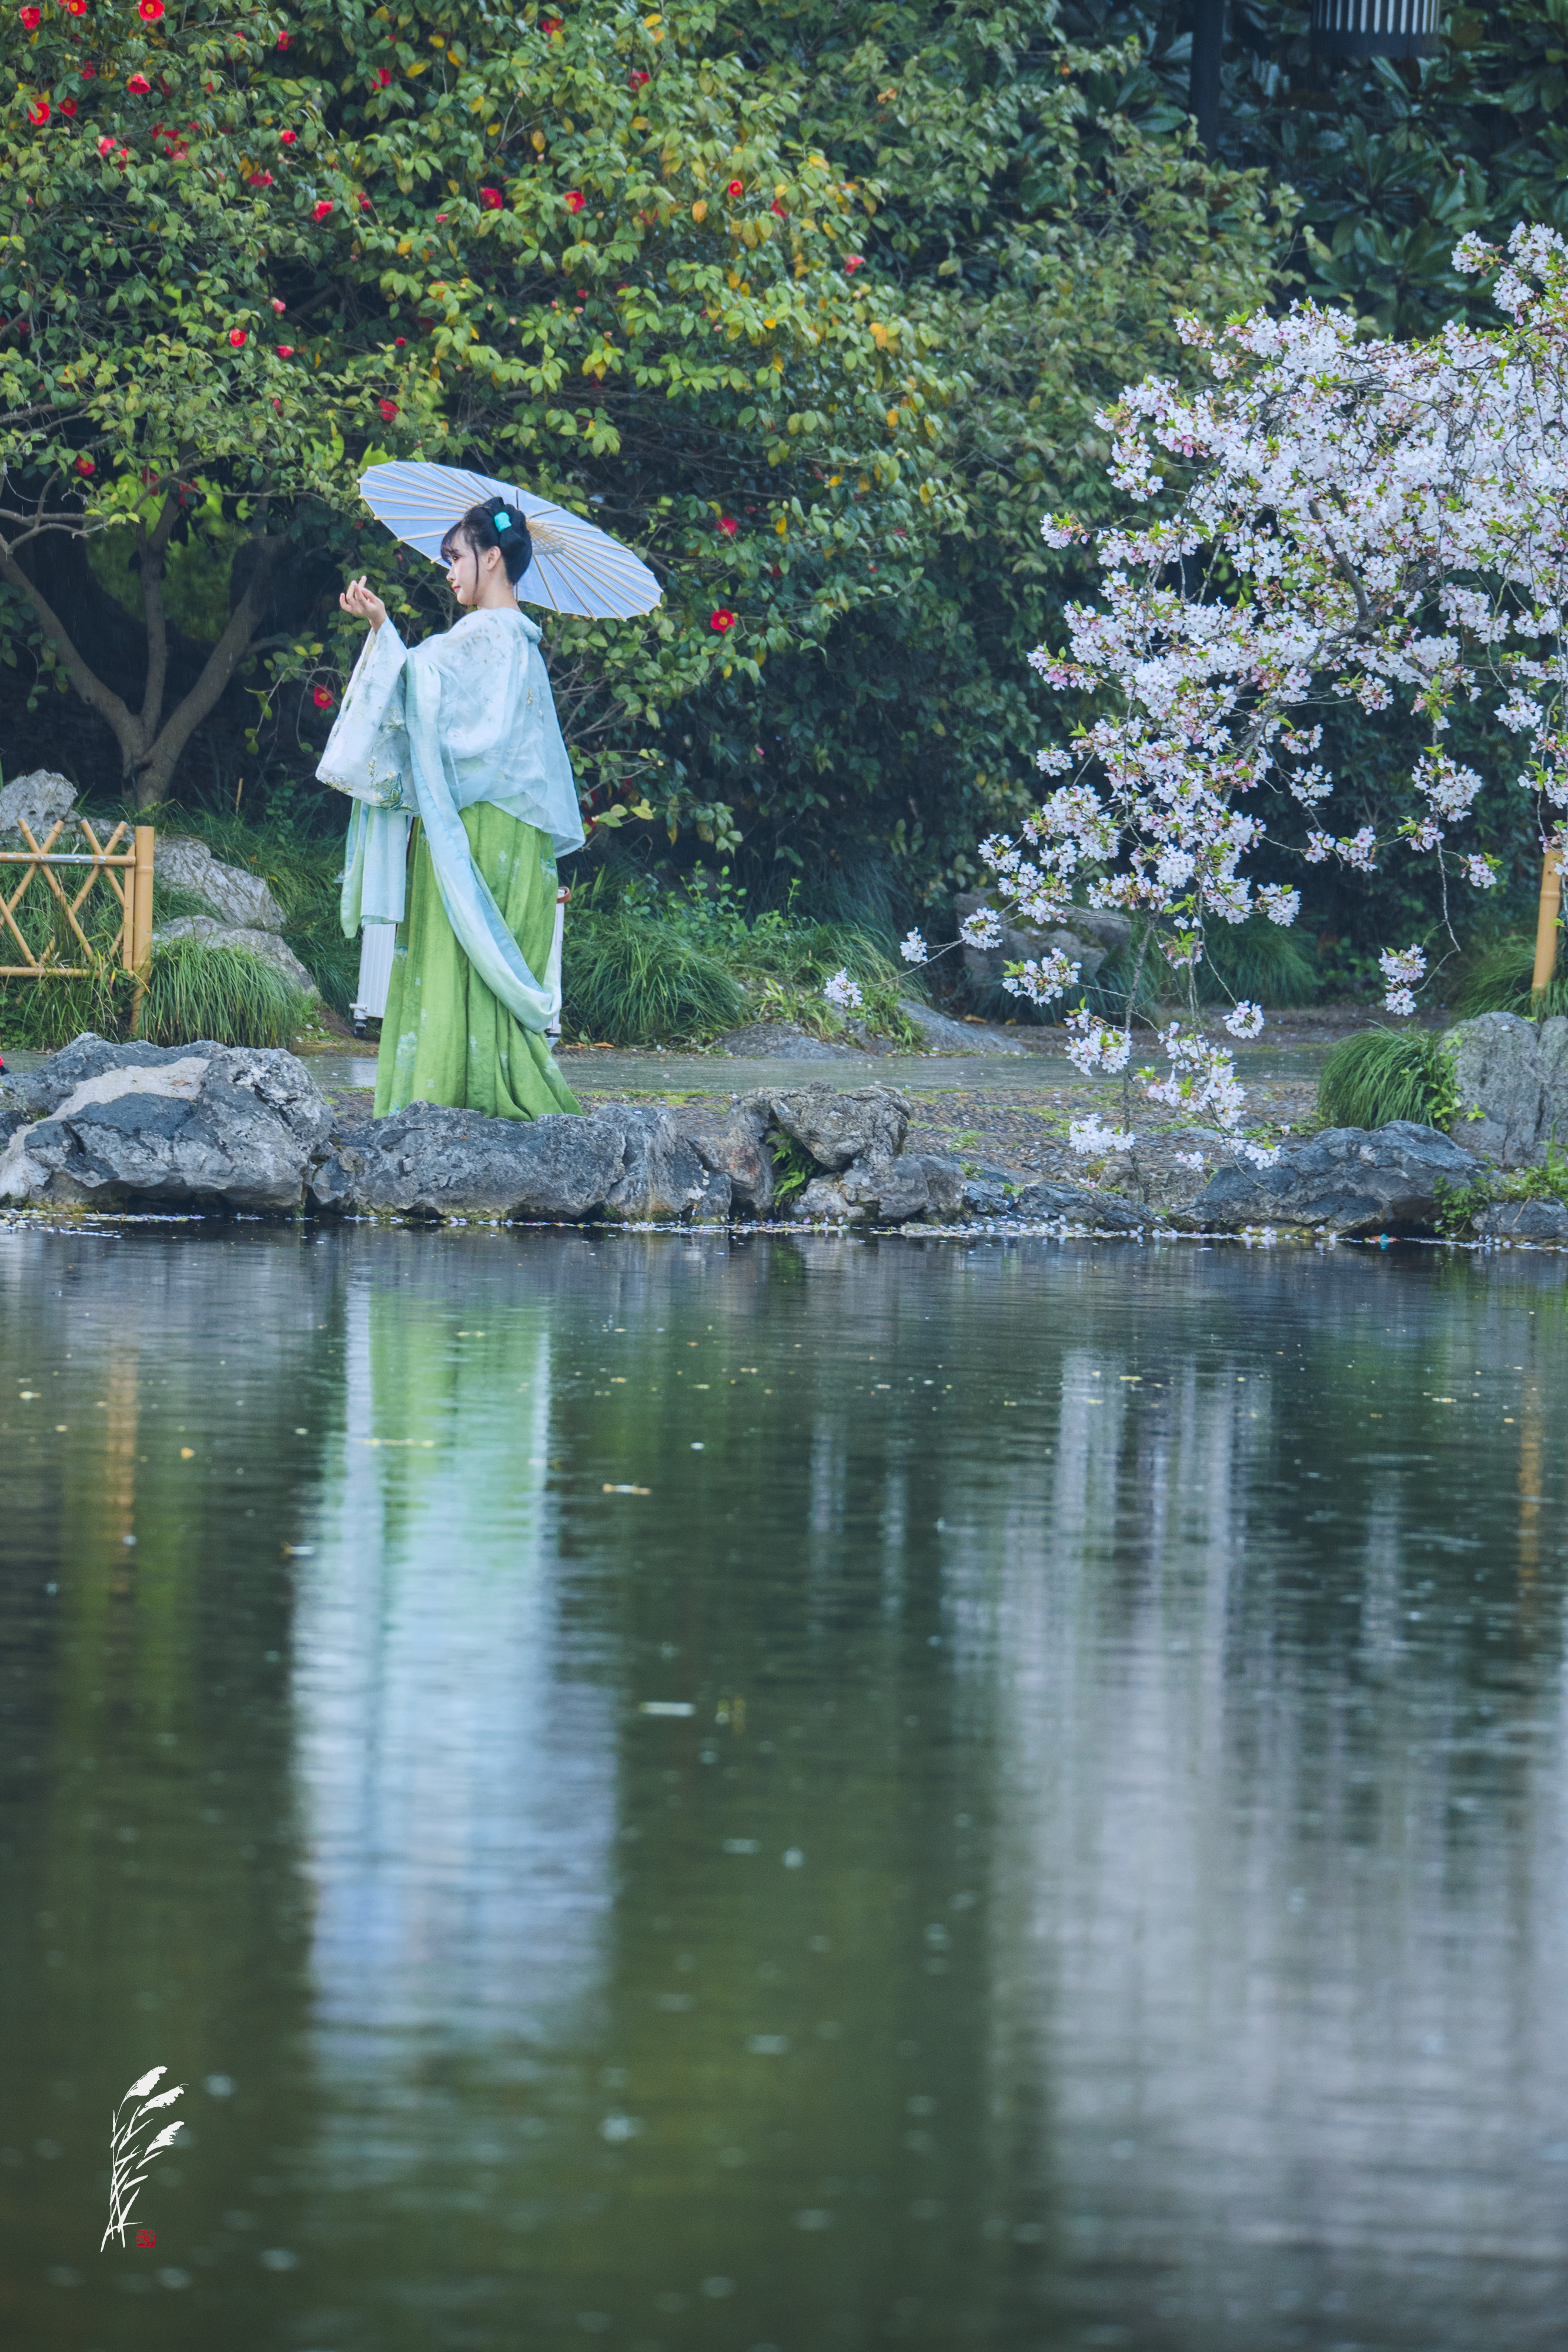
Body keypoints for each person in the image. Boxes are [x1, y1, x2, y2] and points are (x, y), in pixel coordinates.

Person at [316, 495, 583, 1121]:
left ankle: (443, 1097)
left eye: (456, 557)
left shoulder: (484, 635)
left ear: (491, 558)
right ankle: (489, 1090)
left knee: (451, 953)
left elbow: (412, 686)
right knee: (487, 957)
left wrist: (382, 628)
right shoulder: (522, 641)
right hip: (518, 835)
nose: (449, 572)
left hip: (473, 826)